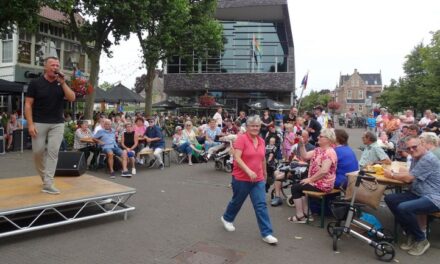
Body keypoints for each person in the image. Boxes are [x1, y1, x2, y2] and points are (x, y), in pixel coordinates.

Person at [221, 115, 278, 244]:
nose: (255, 128)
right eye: (252, 126)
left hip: (257, 179)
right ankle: (227, 218)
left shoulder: (262, 141)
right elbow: (237, 157)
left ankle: (267, 233)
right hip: (241, 178)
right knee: (237, 201)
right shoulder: (241, 139)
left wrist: (264, 175)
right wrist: (248, 171)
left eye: (257, 126)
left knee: (261, 205)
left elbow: (262, 159)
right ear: (247, 127)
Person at [25, 57, 76, 194]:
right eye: (52, 65)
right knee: (37, 152)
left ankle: (48, 183)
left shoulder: (61, 84)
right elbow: (28, 104)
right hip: (39, 122)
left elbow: (72, 98)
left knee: (53, 153)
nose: (55, 67)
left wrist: (64, 83)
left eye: (57, 65)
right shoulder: (35, 83)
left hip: (57, 124)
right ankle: (44, 177)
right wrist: (30, 124)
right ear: (45, 67)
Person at [384, 136, 440, 256]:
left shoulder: (428, 158)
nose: (412, 150)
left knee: (404, 208)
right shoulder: (416, 157)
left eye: (414, 147)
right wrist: (399, 174)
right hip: (418, 193)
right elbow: (410, 176)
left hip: (434, 197)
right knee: (390, 199)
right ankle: (411, 233)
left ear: (423, 144)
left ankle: (421, 239)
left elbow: (409, 178)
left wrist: (392, 175)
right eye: (409, 148)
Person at [288, 128, 337, 223]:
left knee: (295, 187)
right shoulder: (318, 150)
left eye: (321, 136)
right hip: (317, 182)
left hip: (324, 184)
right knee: (299, 185)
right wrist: (301, 144)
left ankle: (300, 216)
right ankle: (306, 214)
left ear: (327, 139)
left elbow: (324, 171)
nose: (318, 137)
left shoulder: (329, 152)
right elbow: (305, 156)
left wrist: (310, 179)